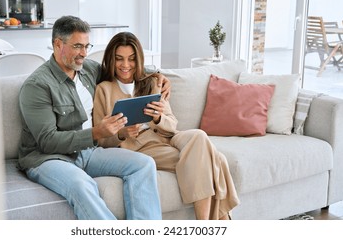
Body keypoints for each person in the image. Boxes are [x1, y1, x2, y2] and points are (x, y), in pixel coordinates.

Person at [18, 16, 170, 220]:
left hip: (87, 153)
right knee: (81, 184)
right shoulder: (37, 85)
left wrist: (158, 75)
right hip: (47, 159)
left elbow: (122, 69)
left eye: (86, 46)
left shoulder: (87, 69)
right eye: (77, 46)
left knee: (144, 164)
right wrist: (97, 132)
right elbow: (47, 141)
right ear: (57, 44)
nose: (83, 53)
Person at [93, 31, 240, 220]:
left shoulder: (153, 82)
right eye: (119, 59)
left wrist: (158, 118)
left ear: (138, 60)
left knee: (199, 136)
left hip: (169, 137)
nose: (126, 65)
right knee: (216, 159)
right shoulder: (103, 90)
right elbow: (100, 140)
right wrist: (121, 133)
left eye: (131, 59)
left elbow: (172, 124)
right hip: (141, 147)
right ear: (111, 60)